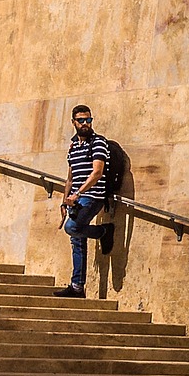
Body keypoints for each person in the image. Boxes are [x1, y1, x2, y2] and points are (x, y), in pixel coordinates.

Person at [53, 104, 115, 298]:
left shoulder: (98, 142)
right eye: (81, 120)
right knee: (77, 240)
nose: (85, 124)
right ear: (74, 122)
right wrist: (65, 202)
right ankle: (77, 286)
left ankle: (104, 231)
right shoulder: (73, 147)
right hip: (76, 199)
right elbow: (70, 178)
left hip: (92, 197)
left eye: (88, 120)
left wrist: (78, 194)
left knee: (72, 228)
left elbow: (97, 173)